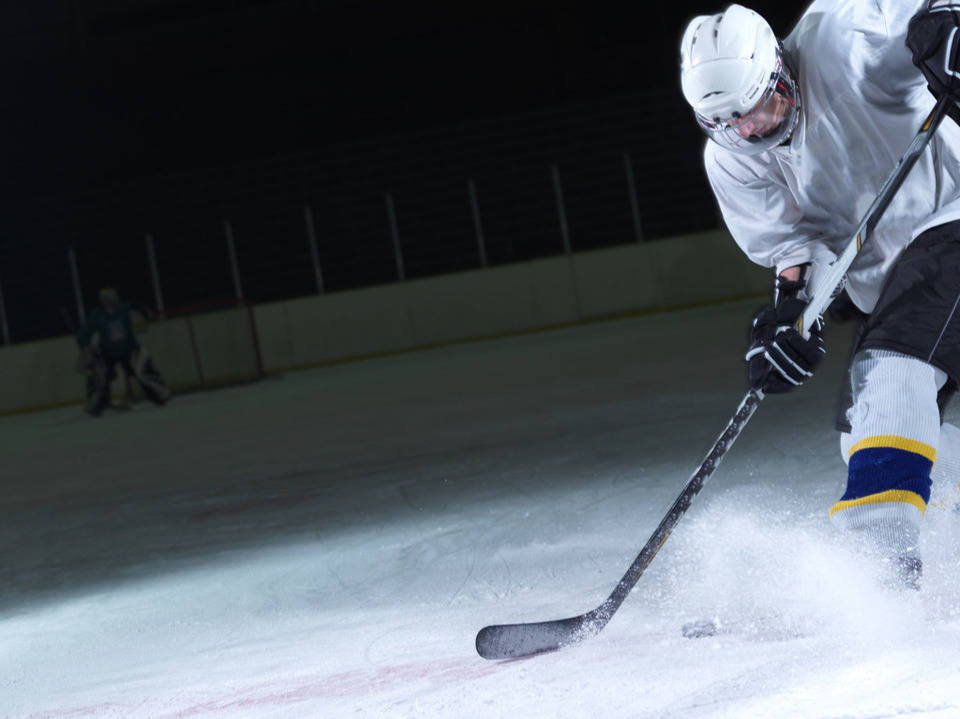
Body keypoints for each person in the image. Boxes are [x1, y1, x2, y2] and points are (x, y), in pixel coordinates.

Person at [679, 1, 960, 588]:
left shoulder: (843, 35)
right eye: (727, 123)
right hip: (896, 272)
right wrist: (786, 318)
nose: (749, 130)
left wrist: (947, 33)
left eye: (757, 107)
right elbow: (795, 250)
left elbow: (931, 13)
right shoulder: (733, 157)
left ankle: (878, 571)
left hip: (951, 215)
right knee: (861, 426)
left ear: (780, 68)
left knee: (894, 370)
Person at [75, 287, 170, 415]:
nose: (108, 301)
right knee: (99, 374)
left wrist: (144, 316)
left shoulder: (124, 309)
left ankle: (160, 394)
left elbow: (141, 315)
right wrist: (84, 345)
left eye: (111, 298)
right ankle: (97, 405)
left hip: (129, 348)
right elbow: (85, 333)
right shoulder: (97, 314)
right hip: (107, 351)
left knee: (142, 369)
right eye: (105, 299)